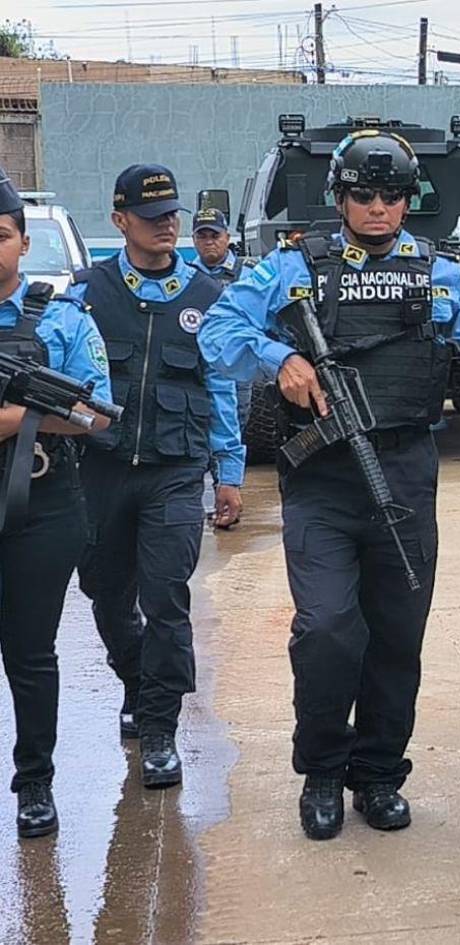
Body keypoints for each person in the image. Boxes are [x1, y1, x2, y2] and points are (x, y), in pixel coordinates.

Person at [198, 129, 460, 841]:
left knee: (398, 633)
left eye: (392, 195)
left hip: (404, 471)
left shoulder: (437, 274)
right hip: (322, 479)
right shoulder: (293, 267)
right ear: (339, 198)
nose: (378, 207)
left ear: (408, 201)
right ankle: (321, 770)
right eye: (364, 194)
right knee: (326, 630)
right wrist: (279, 356)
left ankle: (377, 774)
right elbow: (217, 332)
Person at [70, 164, 244, 790]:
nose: (166, 225)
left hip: (175, 469)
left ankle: (160, 728)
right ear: (120, 221)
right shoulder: (87, 293)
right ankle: (137, 679)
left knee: (167, 598)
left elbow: (221, 385)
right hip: (101, 467)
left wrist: (229, 470)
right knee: (105, 591)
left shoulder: (206, 296)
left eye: (171, 214)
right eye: (151, 217)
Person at [0, 167, 113, 838]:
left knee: (30, 651)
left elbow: (97, 414)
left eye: (1, 235)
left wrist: (18, 419)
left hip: (40, 506)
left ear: (23, 242)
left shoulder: (62, 317)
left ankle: (35, 782)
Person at [190, 207, 253, 523]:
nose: (209, 242)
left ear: (227, 237)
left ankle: (226, 488)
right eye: (202, 236)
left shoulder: (247, 274)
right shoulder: (188, 277)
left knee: (234, 424)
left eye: (214, 235)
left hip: (237, 367)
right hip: (200, 366)